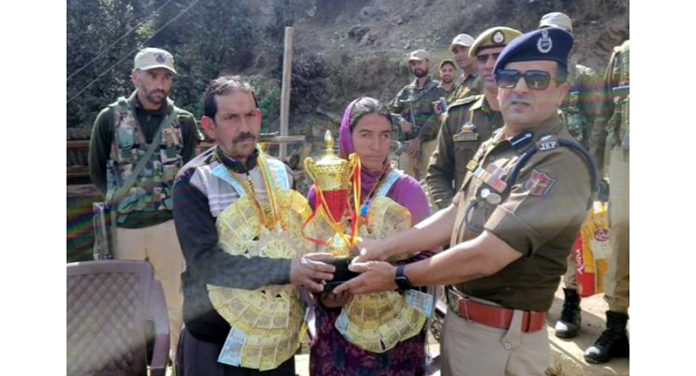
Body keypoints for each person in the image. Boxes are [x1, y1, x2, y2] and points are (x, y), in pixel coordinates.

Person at [336, 28, 598, 376]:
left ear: (561, 91)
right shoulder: (501, 144)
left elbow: (488, 254)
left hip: (502, 337)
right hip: (465, 323)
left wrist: (397, 276)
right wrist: (383, 247)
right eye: (510, 77)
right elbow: (455, 211)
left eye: (536, 80)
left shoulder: (560, 162)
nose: (519, 88)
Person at [172, 75, 335, 375]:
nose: (244, 127)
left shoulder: (282, 174)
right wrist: (288, 270)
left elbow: (296, 243)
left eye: (249, 115)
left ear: (259, 117)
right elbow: (207, 264)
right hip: (216, 341)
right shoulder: (195, 180)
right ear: (210, 126)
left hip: (275, 341)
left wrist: (317, 277)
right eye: (231, 117)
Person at [307, 97, 435, 375]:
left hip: (394, 328)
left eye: (385, 135)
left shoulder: (407, 190)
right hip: (336, 323)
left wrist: (393, 275)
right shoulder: (324, 188)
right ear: (347, 137)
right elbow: (308, 251)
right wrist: (325, 297)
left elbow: (429, 255)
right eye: (365, 135)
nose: (376, 146)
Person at [88, 47, 201, 359]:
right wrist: (121, 201)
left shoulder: (184, 122)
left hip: (169, 225)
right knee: (125, 302)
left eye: (166, 77)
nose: (160, 84)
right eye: (153, 76)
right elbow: (97, 169)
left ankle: (177, 361)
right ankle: (131, 364)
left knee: (174, 299)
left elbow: (189, 171)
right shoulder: (109, 118)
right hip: (125, 226)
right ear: (136, 77)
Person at [538, 11, 608, 339]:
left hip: (573, 170)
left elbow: (597, 125)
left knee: (570, 239)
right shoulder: (534, 77)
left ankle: (571, 303)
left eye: (559, 34)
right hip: (538, 170)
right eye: (546, 34)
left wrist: (593, 169)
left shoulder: (585, 76)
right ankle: (535, 296)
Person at [426, 26, 522, 211]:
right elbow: (437, 173)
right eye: (483, 58)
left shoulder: (536, 116)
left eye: (499, 56)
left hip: (517, 230)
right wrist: (454, 216)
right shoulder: (458, 115)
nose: (489, 64)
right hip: (466, 226)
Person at [583, 40, 630, 364]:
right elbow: (606, 113)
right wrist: (596, 164)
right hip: (628, 151)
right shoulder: (624, 53)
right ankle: (616, 323)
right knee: (623, 229)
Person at [389, 49, 445, 180]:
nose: (416, 66)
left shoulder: (438, 89)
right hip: (408, 145)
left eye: (419, 62)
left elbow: (438, 117)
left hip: (429, 143)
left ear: (428, 63)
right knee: (406, 182)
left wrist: (419, 139)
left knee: (430, 181)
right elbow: (388, 111)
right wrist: (400, 121)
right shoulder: (407, 91)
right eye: (413, 64)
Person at [448, 33, 482, 100]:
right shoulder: (461, 80)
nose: (459, 55)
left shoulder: (484, 78)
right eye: (456, 51)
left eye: (463, 49)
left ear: (474, 51)